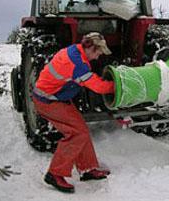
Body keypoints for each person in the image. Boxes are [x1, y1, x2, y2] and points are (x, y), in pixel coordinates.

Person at [32, 32, 115, 193]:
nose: (98, 57)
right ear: (90, 47)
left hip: (57, 97)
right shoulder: (77, 64)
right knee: (76, 133)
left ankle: (87, 169)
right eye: (98, 52)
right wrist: (117, 85)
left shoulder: (76, 50)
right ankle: (54, 174)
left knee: (81, 129)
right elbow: (99, 87)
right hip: (48, 101)